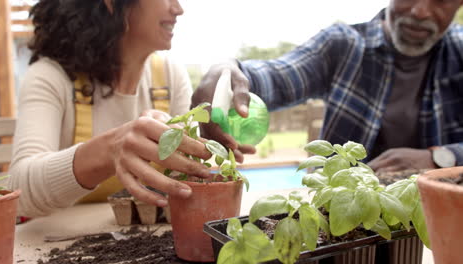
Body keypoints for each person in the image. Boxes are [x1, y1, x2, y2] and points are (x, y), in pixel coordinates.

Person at [192, 0, 463, 173]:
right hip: (340, 225)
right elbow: (274, 77)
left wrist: (441, 158)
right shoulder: (344, 46)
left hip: (431, 225)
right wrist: (226, 70)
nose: (420, 10)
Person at [6, 0, 213, 217]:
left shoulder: (170, 75)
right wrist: (109, 150)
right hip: (61, 242)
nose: (178, 9)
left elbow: (188, 180)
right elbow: (19, 190)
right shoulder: (50, 76)